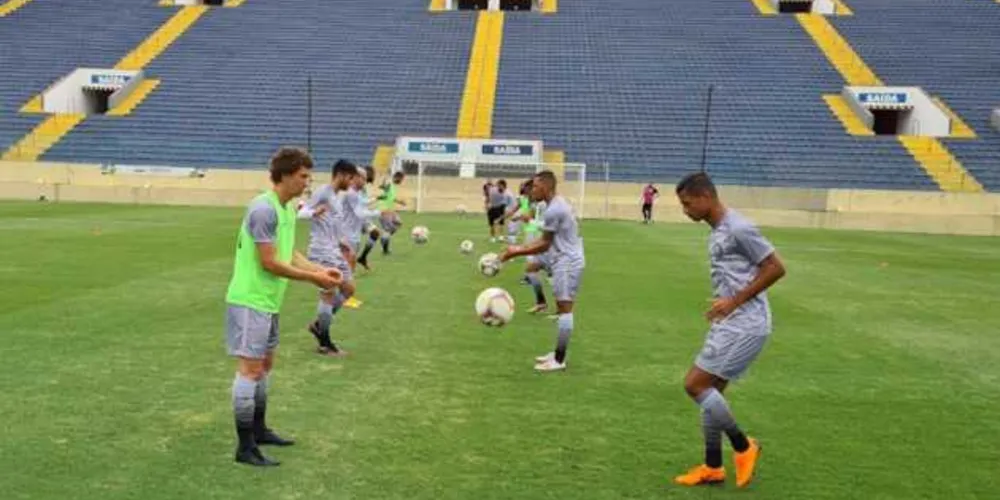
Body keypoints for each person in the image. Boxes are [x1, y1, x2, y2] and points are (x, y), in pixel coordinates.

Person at [224, 147, 343, 467]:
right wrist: (311, 278)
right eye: (303, 176)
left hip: (269, 301)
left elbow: (289, 253)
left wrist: (319, 272)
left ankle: (259, 430)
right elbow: (269, 262)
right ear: (286, 175)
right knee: (249, 370)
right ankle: (245, 446)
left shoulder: (287, 208)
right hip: (250, 300)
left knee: (264, 367)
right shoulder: (264, 209)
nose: (307, 183)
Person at [671, 172, 786, 488]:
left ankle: (743, 446)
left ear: (706, 197)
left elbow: (776, 267)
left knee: (695, 385)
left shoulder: (739, 228)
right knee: (711, 393)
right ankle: (713, 467)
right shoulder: (719, 229)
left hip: (745, 324)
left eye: (687, 203)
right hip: (732, 321)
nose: (685, 211)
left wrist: (733, 301)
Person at [500, 171, 584, 372]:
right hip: (561, 257)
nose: (532, 190)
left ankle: (559, 359)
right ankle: (556, 353)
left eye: (536, 187)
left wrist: (514, 252)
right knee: (561, 304)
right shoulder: (555, 204)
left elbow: (544, 244)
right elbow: (545, 241)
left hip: (567, 261)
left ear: (546, 188)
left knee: (565, 309)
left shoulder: (554, 209)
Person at [298, 160, 358, 356]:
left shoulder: (336, 197)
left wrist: (341, 242)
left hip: (334, 249)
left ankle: (319, 325)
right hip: (321, 251)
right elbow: (300, 212)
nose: (350, 183)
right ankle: (325, 343)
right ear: (340, 174)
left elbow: (331, 222)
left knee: (349, 289)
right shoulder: (323, 192)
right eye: (349, 178)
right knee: (329, 293)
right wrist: (314, 212)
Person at [356, 166, 382, 271]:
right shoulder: (356, 188)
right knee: (352, 244)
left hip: (363, 218)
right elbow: (361, 203)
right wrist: (376, 200)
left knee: (375, 233)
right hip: (356, 218)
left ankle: (362, 258)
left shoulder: (363, 188)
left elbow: (364, 202)